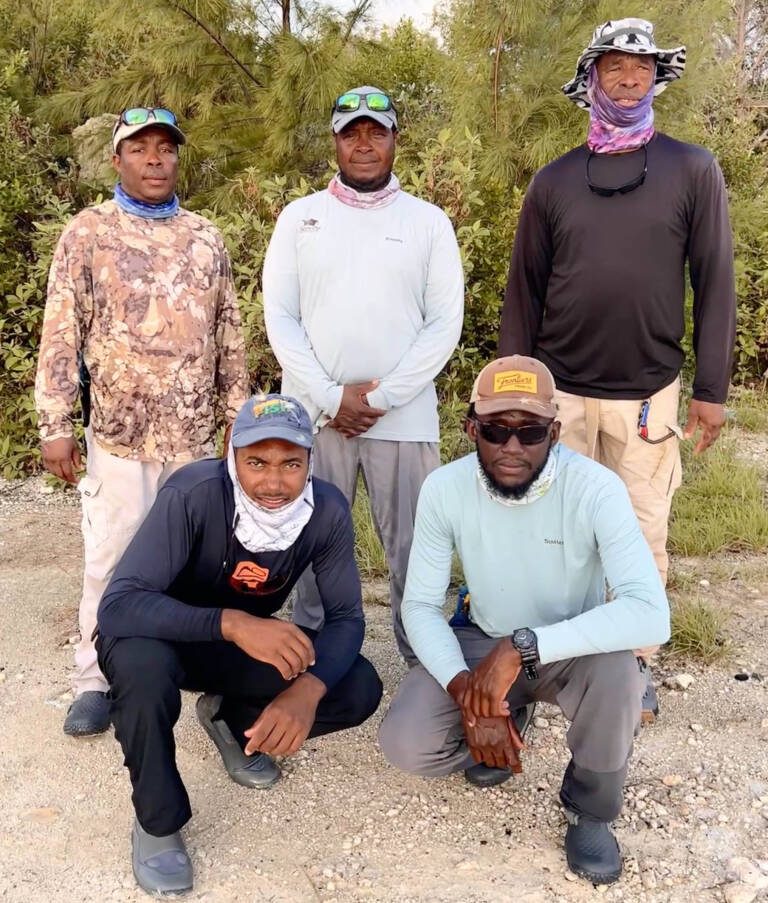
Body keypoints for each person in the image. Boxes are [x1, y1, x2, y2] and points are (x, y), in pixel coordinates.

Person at [497, 19, 736, 719]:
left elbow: (716, 278)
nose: (629, 78)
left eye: (641, 67)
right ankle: (545, 662)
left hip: (648, 396)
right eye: (615, 67)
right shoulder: (555, 180)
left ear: (656, 78)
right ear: (592, 79)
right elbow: (524, 288)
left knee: (638, 532)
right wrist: (517, 392)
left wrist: (712, 390)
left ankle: (633, 665)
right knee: (550, 532)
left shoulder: (694, 169)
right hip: (559, 396)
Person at [379, 356, 669, 886]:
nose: (512, 448)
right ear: (471, 429)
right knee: (407, 743)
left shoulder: (596, 489)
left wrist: (522, 647)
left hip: (567, 645)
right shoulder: (444, 488)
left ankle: (590, 810)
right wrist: (465, 687)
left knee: (619, 675)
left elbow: (651, 615)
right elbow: (418, 606)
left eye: (530, 432)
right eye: (494, 430)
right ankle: (505, 713)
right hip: (482, 638)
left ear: (555, 432)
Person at [96, 394, 383, 897]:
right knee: (142, 674)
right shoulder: (195, 492)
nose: (274, 482)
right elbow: (118, 606)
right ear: (232, 455)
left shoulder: (326, 510)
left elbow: (345, 618)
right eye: (257, 462)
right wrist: (232, 623)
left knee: (356, 685)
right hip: (153, 634)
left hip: (231, 642)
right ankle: (157, 823)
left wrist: (308, 689)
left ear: (310, 461)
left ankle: (229, 719)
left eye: (291, 464)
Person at [35, 107, 248, 736]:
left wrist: (238, 417)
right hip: (119, 438)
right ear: (117, 159)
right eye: (140, 149)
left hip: (194, 439)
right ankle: (95, 679)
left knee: (199, 564)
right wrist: (55, 421)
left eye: (165, 149)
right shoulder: (87, 232)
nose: (155, 159)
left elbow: (230, 335)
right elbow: (60, 330)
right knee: (111, 557)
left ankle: (198, 674)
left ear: (178, 158)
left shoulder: (206, 237)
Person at [263, 86, 464, 659]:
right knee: (309, 542)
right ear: (335, 142)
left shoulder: (428, 222)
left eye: (377, 131)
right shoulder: (299, 219)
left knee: (415, 550)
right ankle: (311, 659)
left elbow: (444, 323)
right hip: (314, 419)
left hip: (403, 420)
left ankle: (426, 663)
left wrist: (381, 397)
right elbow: (281, 317)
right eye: (352, 133)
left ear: (395, 139)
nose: (365, 144)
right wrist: (330, 397)